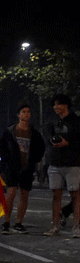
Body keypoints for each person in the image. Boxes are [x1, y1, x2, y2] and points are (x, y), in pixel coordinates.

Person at [0, 104, 45, 234]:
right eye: (23, 112)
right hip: (12, 168)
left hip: (27, 167)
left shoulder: (34, 133)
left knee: (24, 195)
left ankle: (19, 223)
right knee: (11, 193)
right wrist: (7, 160)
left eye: (28, 112)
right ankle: (6, 222)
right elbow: (0, 147)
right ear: (19, 115)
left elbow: (41, 148)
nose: (26, 114)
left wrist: (35, 160)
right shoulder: (10, 131)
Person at [43, 94, 80, 237]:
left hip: (73, 163)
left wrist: (68, 143)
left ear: (66, 105)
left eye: (58, 104)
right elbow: (47, 138)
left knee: (75, 195)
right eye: (54, 104)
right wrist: (52, 142)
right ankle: (55, 226)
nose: (56, 107)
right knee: (55, 195)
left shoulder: (76, 121)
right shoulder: (53, 122)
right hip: (55, 162)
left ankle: (76, 227)